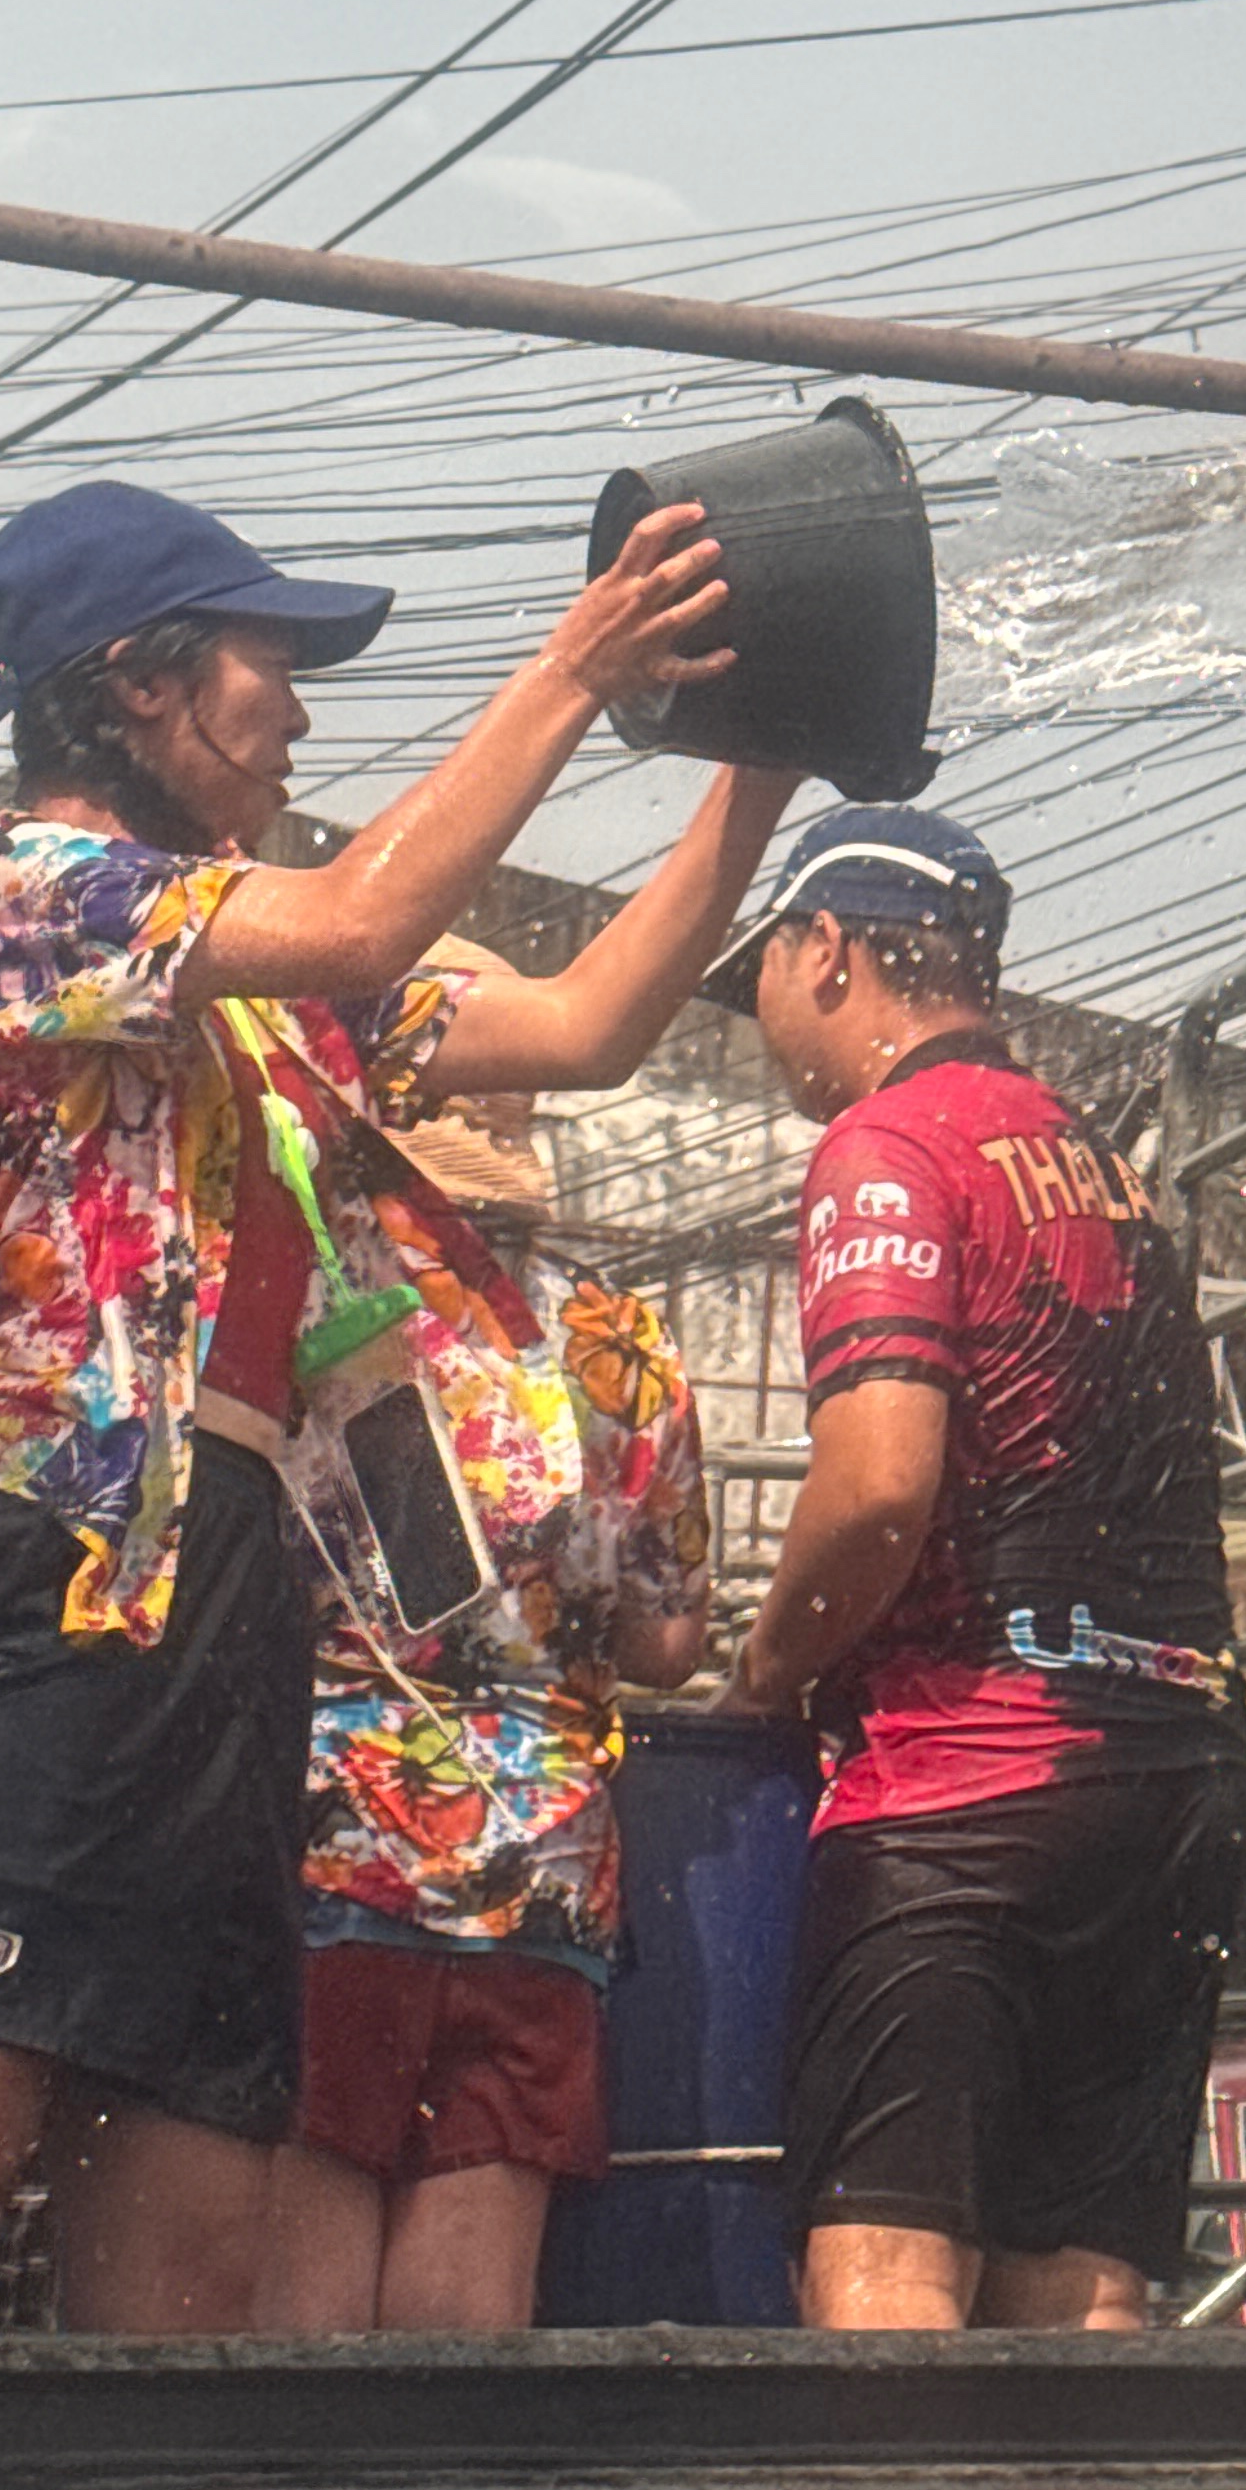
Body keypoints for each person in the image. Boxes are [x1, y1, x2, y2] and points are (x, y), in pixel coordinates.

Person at [0, 473, 791, 2332]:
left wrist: (764, 762)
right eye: (270, 663)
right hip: (49, 1559)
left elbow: (578, 1031)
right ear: (140, 685)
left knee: (198, 2159)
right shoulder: (10, 889)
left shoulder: (259, 989)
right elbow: (366, 916)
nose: (298, 710)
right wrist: (573, 667)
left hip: (229, 1580)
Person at [712, 802, 1246, 2335]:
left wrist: (771, 1668)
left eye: (762, 972)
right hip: (1175, 1777)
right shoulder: (1104, 1167)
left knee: (886, 2269)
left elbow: (881, 1489)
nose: (763, 1022)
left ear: (828, 952)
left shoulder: (886, 1143)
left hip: (973, 1779)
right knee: (1082, 2284)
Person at [257, 951, 711, 2334]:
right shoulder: (614, 1335)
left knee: (298, 2306)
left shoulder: (298, 1292)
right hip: (542, 1869)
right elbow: (671, 1635)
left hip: (328, 1835)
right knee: (469, 2310)